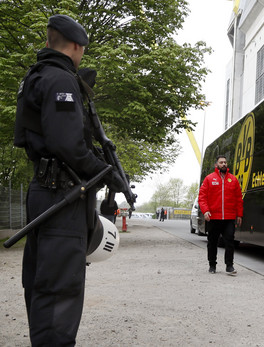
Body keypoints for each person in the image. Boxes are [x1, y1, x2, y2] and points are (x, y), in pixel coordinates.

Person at [13, 14, 124, 346]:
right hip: (61, 193)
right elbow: (68, 145)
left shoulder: (36, 76)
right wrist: (104, 172)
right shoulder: (60, 80)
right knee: (60, 284)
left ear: (48, 43)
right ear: (76, 46)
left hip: (47, 190)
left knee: (43, 278)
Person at [198, 155, 243, 275]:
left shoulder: (233, 180)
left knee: (229, 241)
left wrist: (239, 214)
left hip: (229, 217)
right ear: (216, 165)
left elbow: (239, 198)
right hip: (213, 217)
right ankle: (212, 265)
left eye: (225, 162)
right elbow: (202, 197)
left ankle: (229, 266)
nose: (223, 164)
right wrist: (205, 210)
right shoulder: (209, 179)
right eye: (221, 162)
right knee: (212, 242)